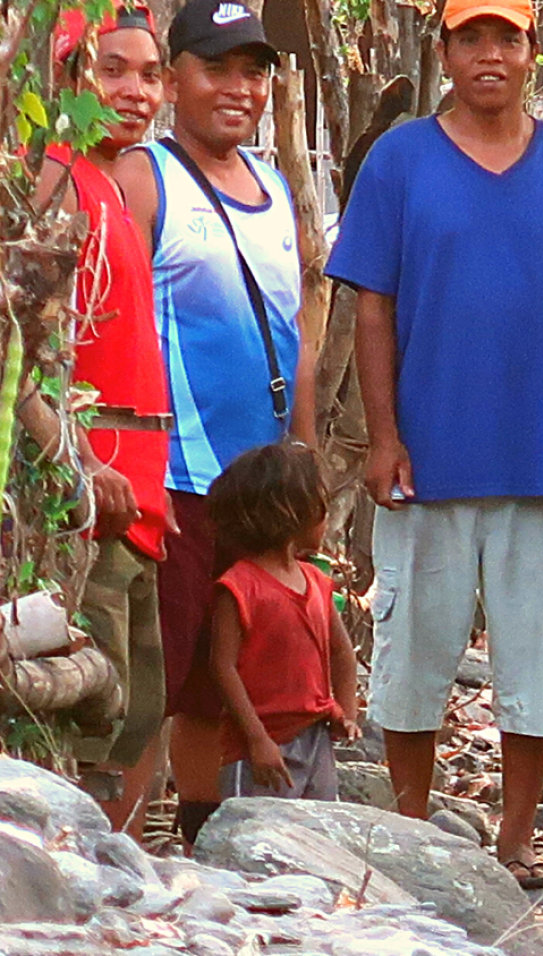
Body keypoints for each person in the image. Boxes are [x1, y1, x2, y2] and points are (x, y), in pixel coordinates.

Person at [325, 0, 543, 887]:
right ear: (445, 49)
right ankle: (415, 822)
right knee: (415, 641)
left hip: (541, 452)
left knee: (537, 649)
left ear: (533, 52)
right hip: (429, 448)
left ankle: (517, 836)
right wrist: (383, 436)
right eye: (471, 38)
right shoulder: (402, 159)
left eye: (508, 38)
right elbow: (370, 303)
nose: (489, 54)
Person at [112, 0, 314, 847]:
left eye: (254, 72)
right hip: (176, 475)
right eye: (215, 68)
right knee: (151, 678)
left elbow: (301, 329)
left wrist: (301, 453)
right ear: (175, 81)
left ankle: (197, 842)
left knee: (213, 681)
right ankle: (113, 848)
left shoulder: (276, 189)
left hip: (259, 487)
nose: (238, 89)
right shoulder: (142, 176)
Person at [26, 7, 171, 838]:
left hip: (139, 492)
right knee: (90, 708)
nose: (136, 92)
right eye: (114, 71)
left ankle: (109, 881)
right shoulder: (53, 178)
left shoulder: (116, 184)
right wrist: (77, 463)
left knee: (138, 703)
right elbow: (27, 351)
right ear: (72, 74)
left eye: (151, 75)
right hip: (90, 497)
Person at [206, 443, 358, 801]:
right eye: (320, 504)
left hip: (316, 736)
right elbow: (222, 666)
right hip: (260, 745)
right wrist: (257, 739)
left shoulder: (317, 582)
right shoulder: (240, 585)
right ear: (291, 513)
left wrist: (345, 712)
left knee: (320, 833)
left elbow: (342, 653)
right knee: (253, 836)